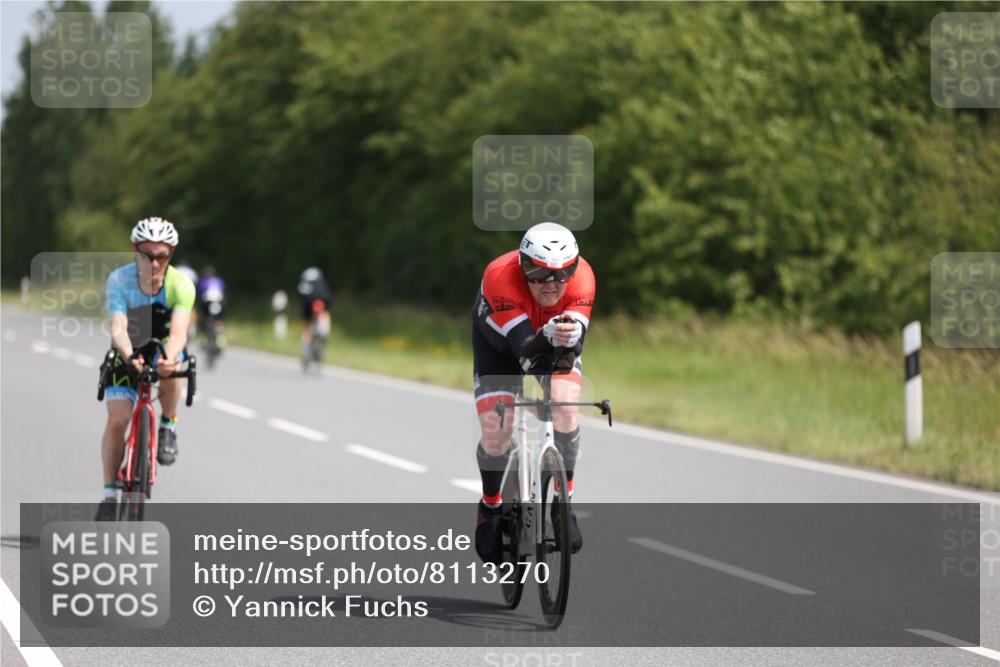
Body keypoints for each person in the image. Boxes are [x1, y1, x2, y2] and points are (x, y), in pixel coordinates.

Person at [471, 222, 596, 564]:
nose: (550, 284)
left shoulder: (584, 278)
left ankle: (563, 503)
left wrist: (566, 338)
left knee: (567, 408)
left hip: (548, 339)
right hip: (499, 345)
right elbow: (525, 352)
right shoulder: (500, 276)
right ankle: (491, 506)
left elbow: (571, 350)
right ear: (522, 263)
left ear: (574, 267)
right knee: (497, 432)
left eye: (561, 274)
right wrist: (551, 334)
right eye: (537, 272)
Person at [96, 217, 195, 520]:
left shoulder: (181, 285)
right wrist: (128, 354)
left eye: (161, 256)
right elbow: (118, 324)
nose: (154, 262)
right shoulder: (119, 281)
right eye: (146, 255)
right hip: (128, 348)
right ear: (134, 250)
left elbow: (178, 333)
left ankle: (168, 425)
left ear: (171, 255)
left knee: (173, 365)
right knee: (117, 420)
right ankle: (110, 493)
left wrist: (168, 357)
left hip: (162, 346)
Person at [297, 266, 332, 356]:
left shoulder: (305, 281)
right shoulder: (322, 281)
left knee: (307, 324)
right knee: (325, 313)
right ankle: (324, 331)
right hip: (323, 301)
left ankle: (305, 347)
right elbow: (328, 297)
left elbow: (302, 295)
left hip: (309, 303)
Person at [196, 265, 227, 347]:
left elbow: (200, 293)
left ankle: (205, 333)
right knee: (219, 319)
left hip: (207, 302)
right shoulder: (219, 280)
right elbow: (223, 290)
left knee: (204, 316)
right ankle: (220, 337)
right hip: (219, 301)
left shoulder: (204, 281)